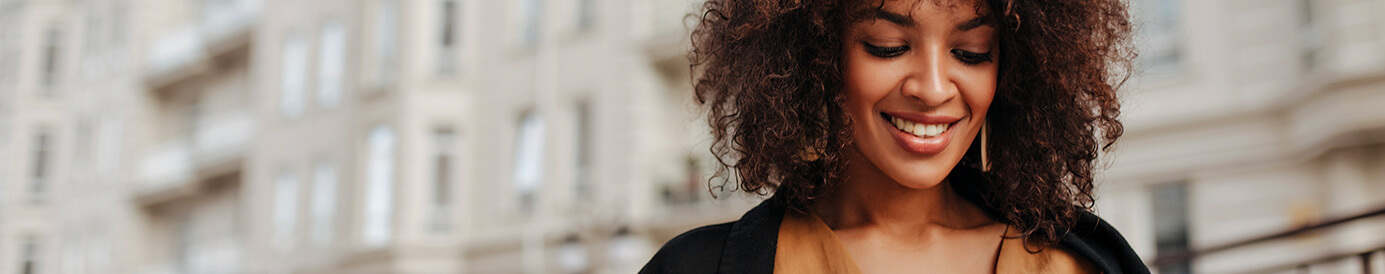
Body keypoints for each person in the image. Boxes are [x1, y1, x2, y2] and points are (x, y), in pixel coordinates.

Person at [640, 0, 1150, 273]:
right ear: (818, 53)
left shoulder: (1077, 266)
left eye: (971, 51)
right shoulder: (693, 268)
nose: (932, 89)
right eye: (887, 46)